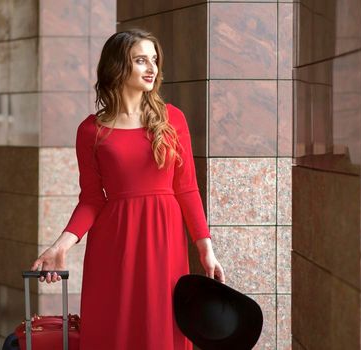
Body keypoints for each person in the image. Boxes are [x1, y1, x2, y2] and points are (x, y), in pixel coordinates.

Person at [29, 29, 226, 349]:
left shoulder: (172, 119)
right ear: (118, 67)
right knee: (115, 324)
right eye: (140, 60)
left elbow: (187, 189)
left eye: (154, 60)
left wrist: (205, 248)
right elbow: (92, 199)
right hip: (114, 240)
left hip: (164, 237)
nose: (152, 68)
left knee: (160, 321)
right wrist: (62, 245)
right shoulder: (90, 130)